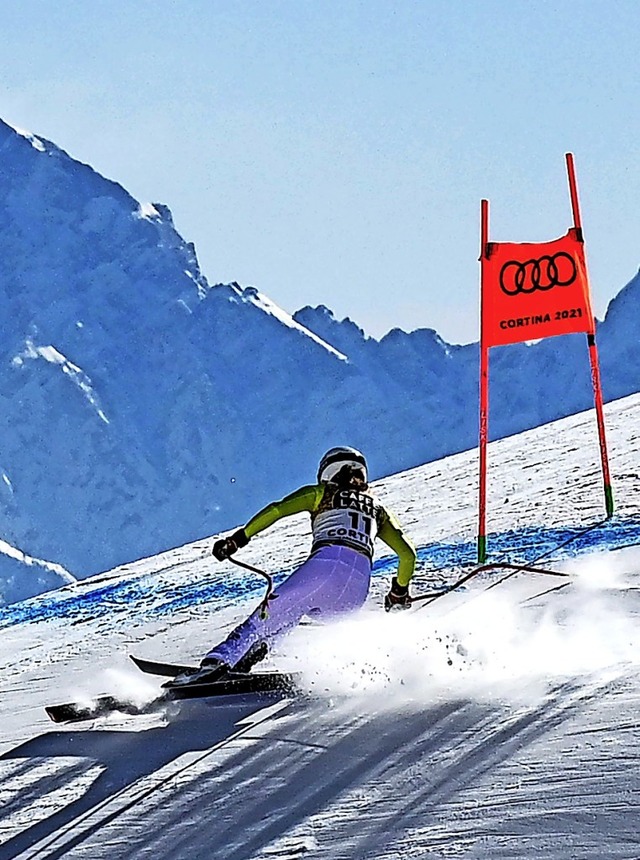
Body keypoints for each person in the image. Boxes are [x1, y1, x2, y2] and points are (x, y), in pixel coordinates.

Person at [172, 446, 417, 685]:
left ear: (328, 472)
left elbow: (277, 509)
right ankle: (251, 655)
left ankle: (216, 662)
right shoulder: (378, 509)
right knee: (293, 610)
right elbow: (408, 556)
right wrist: (398, 593)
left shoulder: (322, 493)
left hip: (326, 565)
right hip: (355, 594)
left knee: (267, 614)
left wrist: (238, 539)